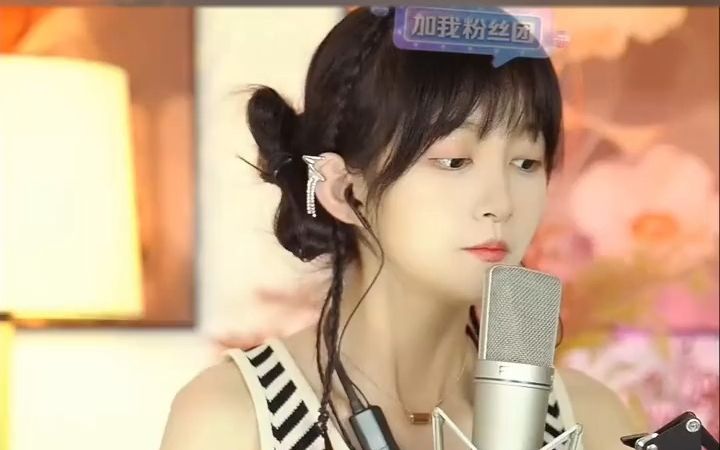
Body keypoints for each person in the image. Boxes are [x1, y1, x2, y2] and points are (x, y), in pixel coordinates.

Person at [160, 7, 642, 450]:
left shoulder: (589, 420)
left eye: (526, 162)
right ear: (343, 190)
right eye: (454, 161)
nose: (500, 204)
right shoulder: (235, 418)